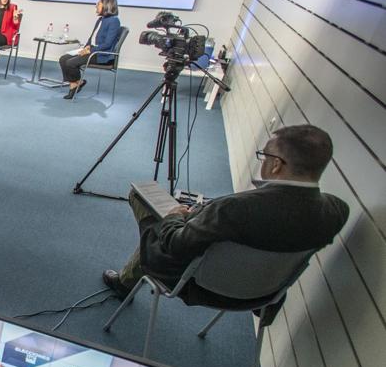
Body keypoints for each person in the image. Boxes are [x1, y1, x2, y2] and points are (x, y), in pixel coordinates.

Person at [104, 125, 350, 303]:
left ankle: (125, 283)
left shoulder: (233, 208)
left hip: (197, 284)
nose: (262, 161)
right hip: (263, 294)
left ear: (276, 165)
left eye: (264, 155)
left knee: (144, 202)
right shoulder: (337, 211)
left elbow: (177, 246)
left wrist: (174, 216)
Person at [59, 0, 120, 100]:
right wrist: (86, 47)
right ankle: (77, 83)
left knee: (70, 63)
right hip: (92, 50)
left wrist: (89, 50)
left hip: (101, 55)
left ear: (106, 5)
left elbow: (108, 44)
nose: (96, 5)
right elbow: (92, 38)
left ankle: (74, 86)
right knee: (63, 59)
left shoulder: (114, 21)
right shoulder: (101, 19)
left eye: (99, 3)